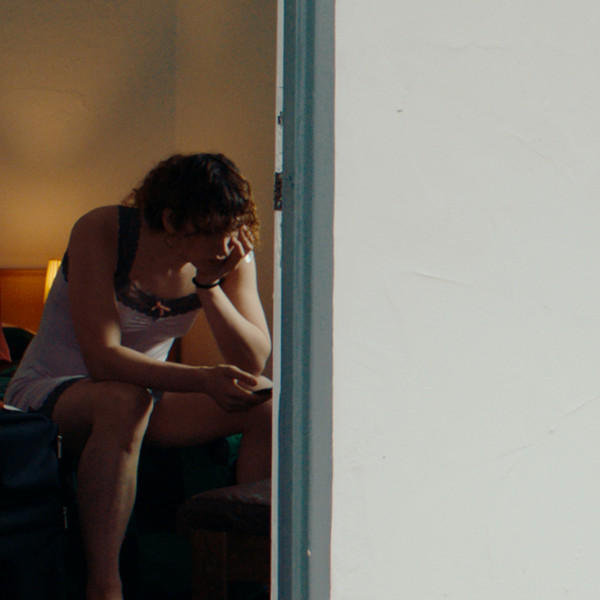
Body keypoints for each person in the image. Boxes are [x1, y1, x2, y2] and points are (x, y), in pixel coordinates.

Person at [4, 153, 272, 600]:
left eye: (231, 229)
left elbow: (253, 361)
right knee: (125, 399)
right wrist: (203, 378)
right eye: (212, 230)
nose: (225, 244)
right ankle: (105, 586)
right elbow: (103, 360)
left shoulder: (228, 255)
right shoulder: (101, 230)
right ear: (171, 220)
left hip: (146, 395)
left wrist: (208, 285)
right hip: (52, 391)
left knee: (264, 399)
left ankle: (248, 574)